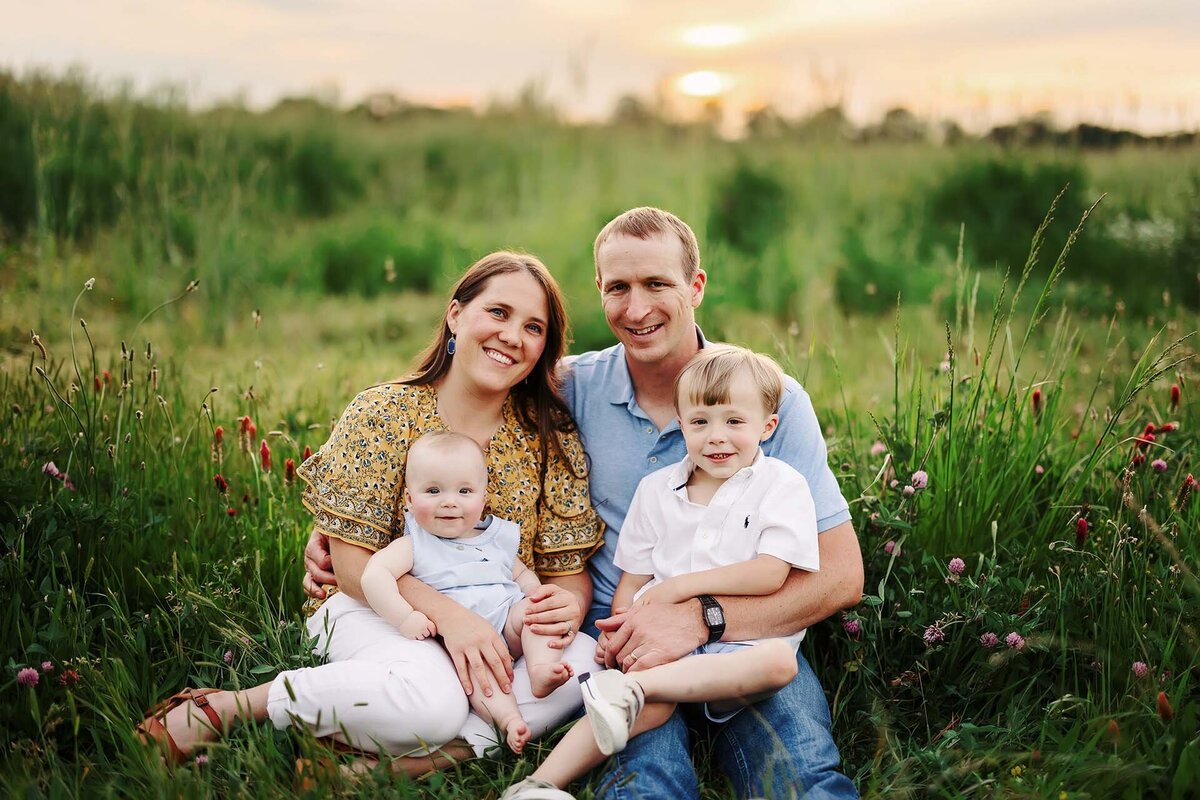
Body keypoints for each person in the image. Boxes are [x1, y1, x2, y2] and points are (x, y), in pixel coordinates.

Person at [306, 207, 864, 798]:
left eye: (658, 284)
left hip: (749, 639)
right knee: (645, 785)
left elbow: (842, 575)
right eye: (618, 287)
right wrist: (341, 538)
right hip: (616, 647)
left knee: (803, 778)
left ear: (696, 287)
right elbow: (459, 423)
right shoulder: (565, 391)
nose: (637, 307)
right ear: (599, 291)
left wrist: (705, 617)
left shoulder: (765, 397)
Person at [137, 251, 604, 770]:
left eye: (533, 327)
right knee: (434, 704)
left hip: (498, 615)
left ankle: (402, 764)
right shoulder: (383, 413)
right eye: (497, 313)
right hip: (379, 609)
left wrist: (563, 610)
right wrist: (451, 621)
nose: (513, 336)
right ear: (456, 315)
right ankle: (235, 706)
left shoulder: (548, 436)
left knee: (589, 665)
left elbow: (567, 572)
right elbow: (354, 566)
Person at [502, 346, 820, 799]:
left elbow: (770, 573)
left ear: (767, 427)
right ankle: (538, 785)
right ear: (681, 424)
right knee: (640, 714)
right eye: (700, 422)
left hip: (744, 649)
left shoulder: (781, 486)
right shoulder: (657, 490)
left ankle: (632, 688)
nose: (716, 437)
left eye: (734, 422)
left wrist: (680, 589)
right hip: (667, 649)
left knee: (779, 662)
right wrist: (620, 627)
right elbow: (632, 581)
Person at [361, 430, 575, 753]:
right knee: (478, 673)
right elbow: (373, 575)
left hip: (506, 619)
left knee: (534, 617)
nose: (450, 501)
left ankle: (540, 669)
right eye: (433, 490)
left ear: (483, 498)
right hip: (459, 640)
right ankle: (509, 719)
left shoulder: (497, 536)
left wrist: (536, 594)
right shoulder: (416, 543)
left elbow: (521, 573)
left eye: (464, 491)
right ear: (408, 499)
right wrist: (405, 617)